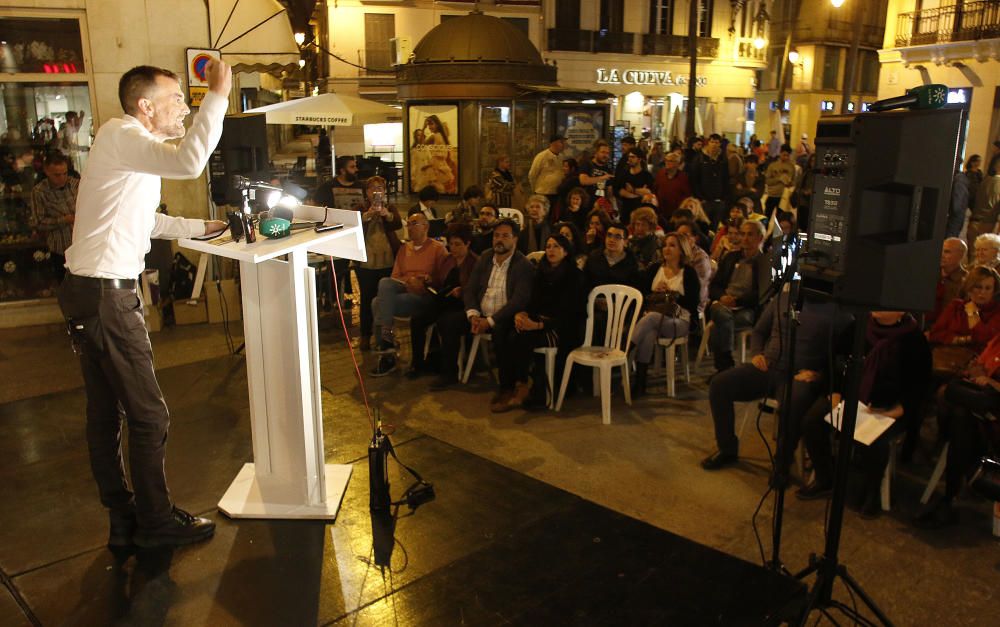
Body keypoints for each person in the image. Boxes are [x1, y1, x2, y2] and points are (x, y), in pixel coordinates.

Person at [57, 61, 232, 548]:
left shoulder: (126, 147)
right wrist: (218, 93)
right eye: (177, 99)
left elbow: (143, 221)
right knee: (148, 416)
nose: (185, 107)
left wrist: (200, 229)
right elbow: (190, 163)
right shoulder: (123, 134)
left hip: (87, 291)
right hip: (106, 298)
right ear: (145, 106)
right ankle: (155, 522)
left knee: (106, 412)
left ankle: (123, 520)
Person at [798, 312, 931, 518]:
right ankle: (825, 477)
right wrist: (834, 392)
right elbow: (834, 360)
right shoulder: (858, 327)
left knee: (875, 439)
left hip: (889, 405)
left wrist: (897, 410)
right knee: (812, 421)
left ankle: (872, 491)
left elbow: (919, 385)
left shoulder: (913, 339)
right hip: (849, 396)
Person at [702, 292, 842, 470]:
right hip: (768, 367)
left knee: (793, 404)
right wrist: (757, 353)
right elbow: (760, 331)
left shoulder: (837, 310)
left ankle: (782, 463)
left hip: (800, 375)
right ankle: (727, 448)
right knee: (720, 384)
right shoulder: (783, 299)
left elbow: (840, 354)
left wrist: (819, 375)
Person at [430, 218, 534, 391]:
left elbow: (518, 301)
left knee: (503, 334)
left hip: (504, 317)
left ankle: (507, 387)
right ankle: (449, 373)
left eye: (505, 236)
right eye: (496, 235)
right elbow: (470, 288)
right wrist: (473, 314)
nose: (499, 240)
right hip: (480, 314)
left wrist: (490, 321)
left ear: (515, 239)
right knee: (447, 322)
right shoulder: (486, 257)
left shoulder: (523, 265)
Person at [915, 332, 1000, 528]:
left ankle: (950, 496)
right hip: (981, 412)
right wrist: (977, 371)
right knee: (957, 411)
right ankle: (955, 492)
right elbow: (981, 362)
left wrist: (993, 383)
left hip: (994, 421)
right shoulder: (996, 339)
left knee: (958, 417)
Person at [493, 234, 587, 411]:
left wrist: (538, 325)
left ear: (566, 251)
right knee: (505, 330)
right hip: (539, 321)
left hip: (562, 328)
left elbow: (571, 314)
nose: (551, 250)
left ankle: (523, 388)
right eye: (549, 246)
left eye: (556, 246)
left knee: (522, 338)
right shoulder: (540, 272)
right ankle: (509, 386)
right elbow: (532, 302)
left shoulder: (575, 276)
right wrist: (522, 315)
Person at [370, 212, 449, 376]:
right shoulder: (404, 249)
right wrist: (409, 282)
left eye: (414, 224)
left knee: (378, 303)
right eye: (409, 224)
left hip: (423, 296)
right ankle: (387, 342)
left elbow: (443, 278)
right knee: (384, 284)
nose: (410, 228)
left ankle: (387, 351)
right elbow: (395, 277)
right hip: (404, 289)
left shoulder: (437, 249)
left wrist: (426, 279)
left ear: (425, 227)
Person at [630, 232, 701, 396]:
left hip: (679, 320)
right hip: (654, 316)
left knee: (651, 319)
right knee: (649, 333)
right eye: (665, 245)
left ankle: (625, 349)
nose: (666, 249)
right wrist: (654, 291)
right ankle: (641, 383)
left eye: (672, 245)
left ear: (681, 250)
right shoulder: (655, 269)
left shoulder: (688, 272)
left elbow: (692, 302)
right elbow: (642, 292)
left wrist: (672, 293)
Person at [408, 223, 479, 378]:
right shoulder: (448, 260)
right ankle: (418, 363)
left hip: (463, 305)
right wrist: (429, 279)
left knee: (446, 322)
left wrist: (462, 290)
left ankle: (449, 371)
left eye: (458, 244)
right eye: (451, 244)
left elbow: (477, 289)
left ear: (468, 243)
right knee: (417, 319)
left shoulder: (475, 262)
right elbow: (440, 281)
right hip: (445, 300)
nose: (453, 248)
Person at [707, 220, 771, 372]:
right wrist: (723, 297)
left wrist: (737, 300)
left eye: (750, 234)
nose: (745, 238)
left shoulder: (765, 262)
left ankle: (723, 368)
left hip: (747, 309)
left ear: (760, 238)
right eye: (743, 234)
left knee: (719, 324)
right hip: (723, 305)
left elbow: (762, 294)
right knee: (722, 314)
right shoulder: (731, 257)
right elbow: (714, 285)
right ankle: (727, 365)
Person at [356, 176, 403, 351]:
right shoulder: (360, 208)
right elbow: (353, 226)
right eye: (372, 188)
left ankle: (384, 336)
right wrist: (367, 215)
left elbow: (397, 223)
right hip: (366, 262)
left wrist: (386, 214)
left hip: (387, 260)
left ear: (384, 191)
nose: (376, 191)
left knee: (383, 300)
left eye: (380, 188)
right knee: (367, 299)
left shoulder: (389, 207)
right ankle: (365, 335)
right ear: (366, 192)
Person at [928, 265, 1000, 353]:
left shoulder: (996, 311)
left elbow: (984, 339)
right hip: (950, 357)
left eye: (988, 288)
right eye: (978, 287)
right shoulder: (956, 306)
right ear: (970, 287)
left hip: (980, 361)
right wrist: (964, 339)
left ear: (994, 290)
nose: (983, 292)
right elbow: (935, 333)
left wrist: (972, 314)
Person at [29, 152, 78, 280]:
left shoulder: (76, 184)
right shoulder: (39, 192)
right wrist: (64, 220)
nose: (62, 178)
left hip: (81, 247)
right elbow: (38, 222)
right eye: (57, 175)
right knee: (65, 289)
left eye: (65, 173)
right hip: (60, 249)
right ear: (47, 171)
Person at [687, 133, 729, 224]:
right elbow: (694, 178)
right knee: (704, 223)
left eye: (716, 142)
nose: (714, 144)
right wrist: (699, 197)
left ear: (720, 144)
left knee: (716, 224)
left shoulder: (723, 159)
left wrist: (723, 196)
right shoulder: (699, 158)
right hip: (704, 199)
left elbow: (725, 178)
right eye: (712, 142)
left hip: (718, 199)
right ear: (708, 143)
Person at [584, 222, 639, 291]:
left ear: (625, 242)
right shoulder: (594, 257)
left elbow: (633, 289)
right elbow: (585, 283)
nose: (611, 240)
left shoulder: (631, 262)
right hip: (594, 299)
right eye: (609, 235)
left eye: (617, 237)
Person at [928, 237, 969, 327]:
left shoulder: (966, 280)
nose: (941, 255)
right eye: (940, 250)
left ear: (961, 255)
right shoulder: (928, 273)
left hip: (948, 327)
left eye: (947, 252)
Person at [965, 153, 1000, 256]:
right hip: (987, 226)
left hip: (973, 223)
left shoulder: (984, 181)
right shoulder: (998, 183)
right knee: (984, 263)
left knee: (973, 259)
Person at [617, 147, 655, 226]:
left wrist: (633, 190)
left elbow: (648, 193)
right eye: (629, 157)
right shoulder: (624, 175)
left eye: (633, 157)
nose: (630, 159)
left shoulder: (647, 176)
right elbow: (621, 192)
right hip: (626, 215)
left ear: (639, 159)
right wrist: (639, 193)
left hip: (642, 215)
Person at [528, 135, 566, 209]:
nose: (563, 145)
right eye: (561, 142)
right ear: (553, 143)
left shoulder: (561, 157)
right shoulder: (542, 156)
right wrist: (535, 190)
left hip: (556, 193)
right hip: (543, 193)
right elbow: (532, 174)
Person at [653, 151, 691, 223]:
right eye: (666, 160)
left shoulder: (683, 177)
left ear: (677, 163)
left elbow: (687, 195)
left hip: (677, 213)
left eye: (670, 161)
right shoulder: (660, 174)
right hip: (661, 211)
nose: (667, 162)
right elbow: (655, 189)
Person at [578, 140, 615, 210]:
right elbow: (583, 180)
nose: (605, 155)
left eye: (607, 153)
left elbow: (609, 191)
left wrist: (611, 205)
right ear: (596, 153)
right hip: (586, 204)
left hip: (601, 205)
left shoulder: (608, 170)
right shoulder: (587, 164)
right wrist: (603, 178)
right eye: (603, 152)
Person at [763, 145, 795, 220]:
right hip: (772, 195)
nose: (786, 157)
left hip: (784, 197)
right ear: (780, 153)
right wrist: (779, 179)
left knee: (780, 220)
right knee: (766, 217)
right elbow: (767, 181)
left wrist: (790, 183)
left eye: (788, 155)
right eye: (784, 155)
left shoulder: (791, 167)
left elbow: (794, 182)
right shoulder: (773, 165)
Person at [627, 206, 662, 271]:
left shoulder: (657, 243)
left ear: (651, 226)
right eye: (637, 224)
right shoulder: (630, 242)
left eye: (644, 225)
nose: (640, 228)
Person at [946, 157, 970, 239]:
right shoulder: (960, 178)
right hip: (956, 218)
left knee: (948, 241)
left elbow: (957, 203)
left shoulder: (959, 179)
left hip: (954, 219)